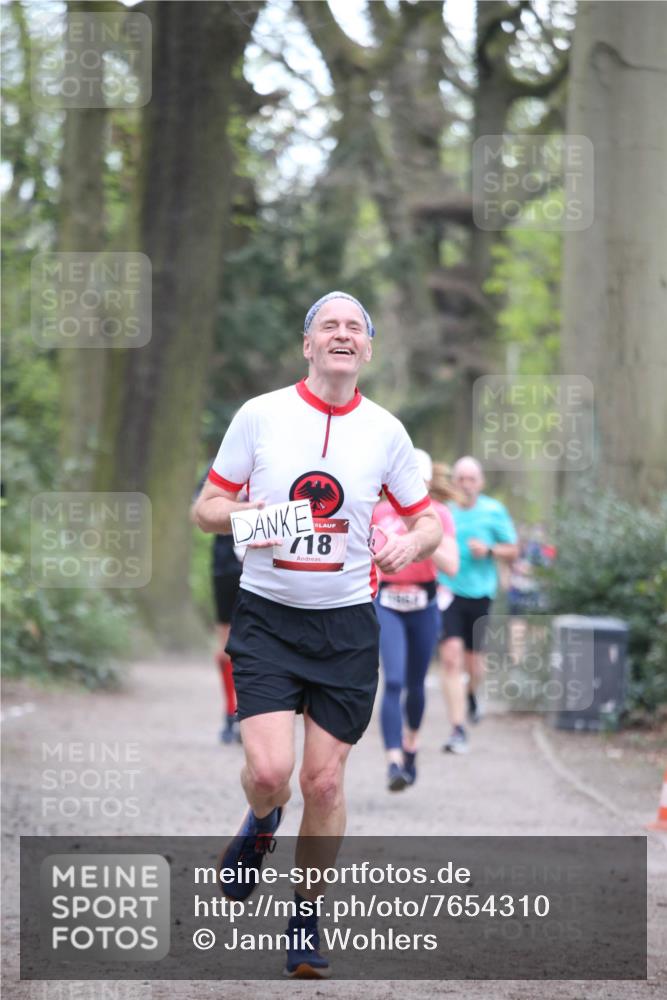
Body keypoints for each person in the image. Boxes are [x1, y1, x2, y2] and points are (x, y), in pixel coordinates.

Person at [193, 291, 442, 978]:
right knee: (271, 774)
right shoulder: (261, 416)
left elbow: (426, 520)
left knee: (324, 783)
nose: (340, 334)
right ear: (307, 345)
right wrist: (254, 514)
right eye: (327, 325)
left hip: (346, 626)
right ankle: (262, 819)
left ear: (366, 349)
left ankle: (305, 917)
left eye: (353, 328)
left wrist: (406, 544)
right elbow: (205, 508)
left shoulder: (386, 433)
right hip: (268, 616)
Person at [371, 451, 459, 791]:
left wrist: (421, 536)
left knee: (416, 685)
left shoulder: (439, 515)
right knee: (392, 681)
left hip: (424, 604)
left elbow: (451, 566)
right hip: (387, 602)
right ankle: (393, 761)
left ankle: (411, 744)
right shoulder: (379, 512)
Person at [437, 457, 518, 754]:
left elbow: (513, 550)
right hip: (448, 592)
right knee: (450, 657)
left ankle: (472, 693)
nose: (466, 484)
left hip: (481, 594)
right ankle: (457, 728)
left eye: (471, 479)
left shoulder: (493, 512)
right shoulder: (445, 512)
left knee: (475, 663)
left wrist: (490, 550)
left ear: (480, 483)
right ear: (454, 482)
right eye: (460, 478)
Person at [190, 471, 243, 744]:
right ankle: (229, 712)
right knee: (225, 642)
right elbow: (197, 514)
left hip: (265, 566)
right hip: (225, 565)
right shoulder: (218, 469)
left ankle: (250, 714)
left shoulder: (279, 459)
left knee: (258, 641)